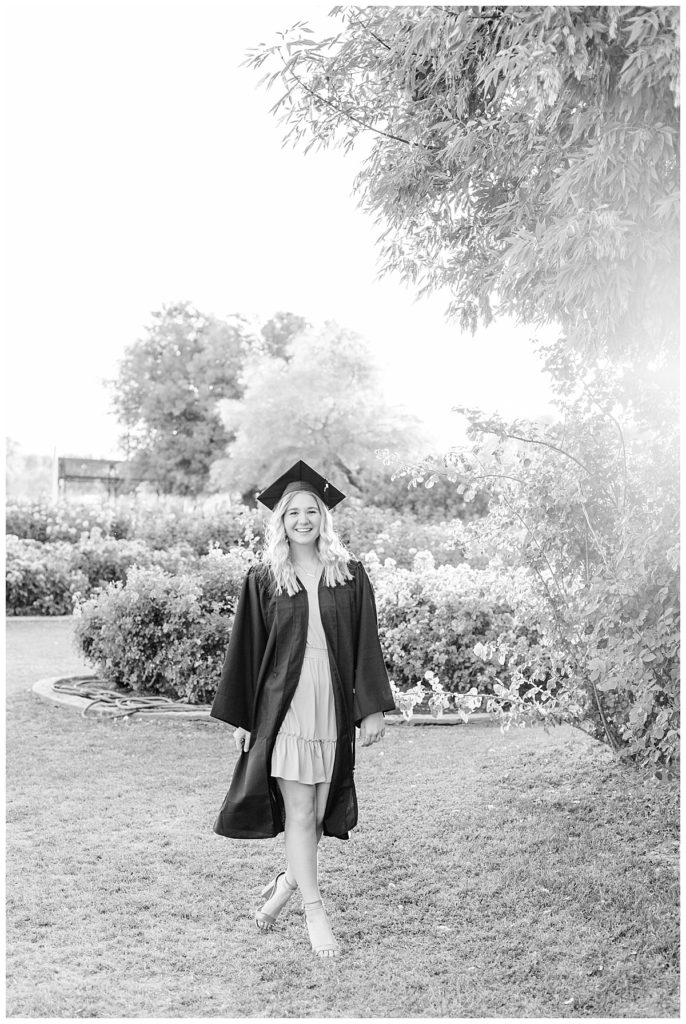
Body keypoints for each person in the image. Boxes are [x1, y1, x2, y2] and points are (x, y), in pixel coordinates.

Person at [210, 459, 395, 958]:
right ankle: (315, 911)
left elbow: (364, 646)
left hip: (330, 700)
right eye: (293, 513)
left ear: (323, 517)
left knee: (313, 815)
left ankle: (284, 888)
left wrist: (371, 708)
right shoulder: (265, 577)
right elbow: (247, 650)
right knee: (298, 809)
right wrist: (246, 721)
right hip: (284, 703)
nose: (303, 520)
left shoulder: (349, 574)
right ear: (281, 520)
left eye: (311, 511)